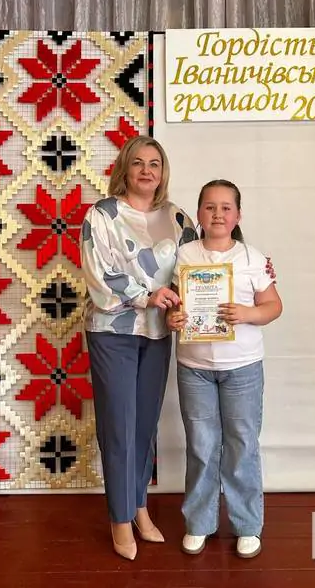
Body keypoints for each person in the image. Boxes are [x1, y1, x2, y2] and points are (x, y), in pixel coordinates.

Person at [80, 135, 197, 561]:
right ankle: (119, 517)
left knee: (144, 426)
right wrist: (147, 296)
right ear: (124, 169)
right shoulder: (102, 215)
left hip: (157, 333)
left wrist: (188, 307)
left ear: (163, 172)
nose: (147, 170)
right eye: (138, 163)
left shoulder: (179, 218)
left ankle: (139, 506)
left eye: (155, 163)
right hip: (113, 331)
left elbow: (195, 269)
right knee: (119, 425)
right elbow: (99, 274)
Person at [166, 179, 283, 559]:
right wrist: (173, 318)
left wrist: (248, 313)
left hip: (242, 368)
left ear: (238, 215)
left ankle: (247, 525)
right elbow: (173, 306)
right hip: (194, 367)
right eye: (210, 207)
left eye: (226, 207)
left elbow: (273, 306)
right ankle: (199, 523)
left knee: (242, 445)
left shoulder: (253, 258)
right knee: (201, 446)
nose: (218, 214)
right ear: (199, 213)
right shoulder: (184, 255)